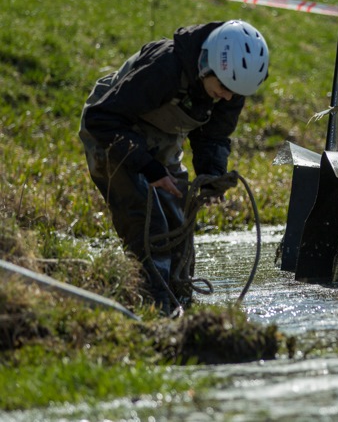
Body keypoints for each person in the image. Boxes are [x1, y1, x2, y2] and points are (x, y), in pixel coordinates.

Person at [78, 20, 269, 313]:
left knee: (178, 232)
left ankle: (182, 306)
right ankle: (154, 310)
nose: (228, 97)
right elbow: (100, 118)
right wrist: (150, 170)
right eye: (224, 88)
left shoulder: (231, 86)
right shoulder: (164, 68)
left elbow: (214, 136)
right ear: (206, 65)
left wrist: (212, 176)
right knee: (148, 224)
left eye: (236, 93)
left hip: (160, 140)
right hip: (112, 133)